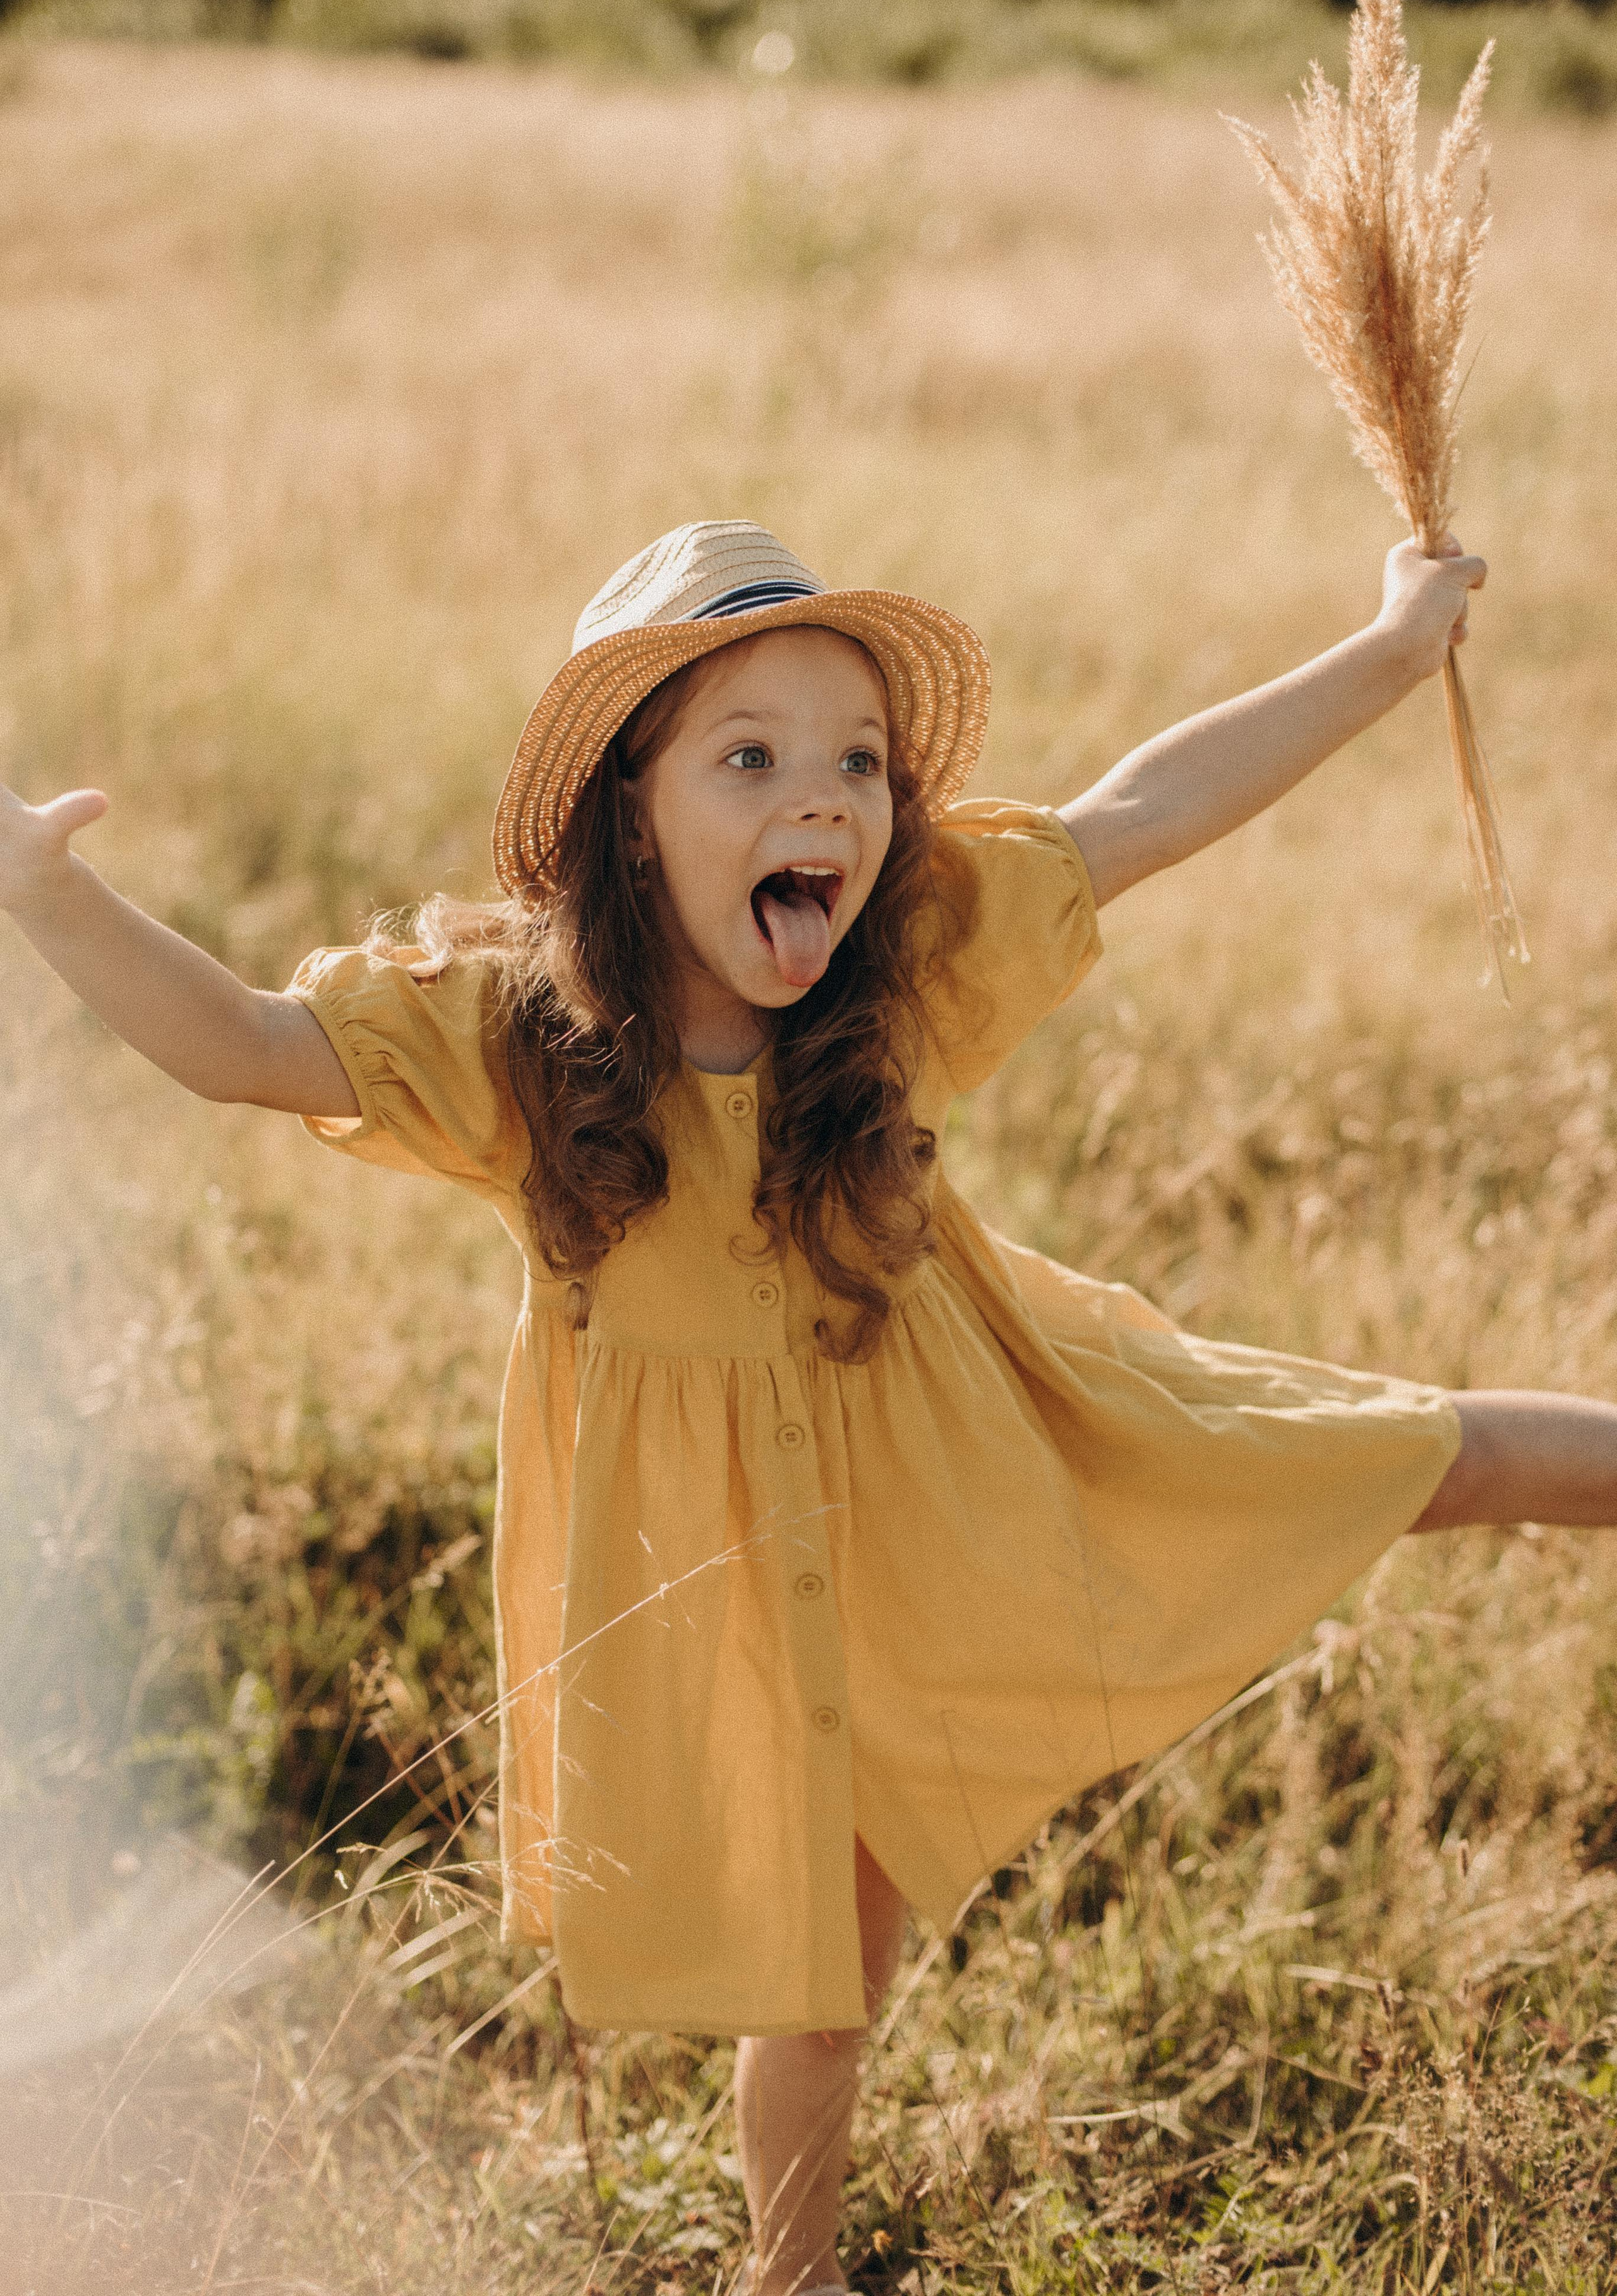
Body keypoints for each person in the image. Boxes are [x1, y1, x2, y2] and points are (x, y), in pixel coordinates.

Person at [7, 517, 1617, 2296]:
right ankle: (792, 2279)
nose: (824, 803)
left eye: (860, 760)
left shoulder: (898, 979)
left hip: (988, 1468)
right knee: (821, 1979)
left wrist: (1391, 649)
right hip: (743, 1581)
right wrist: (46, 894)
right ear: (634, 806)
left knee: (1416, 1451)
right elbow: (242, 1042)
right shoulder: (522, 1048)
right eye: (751, 757)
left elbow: (1144, 807)